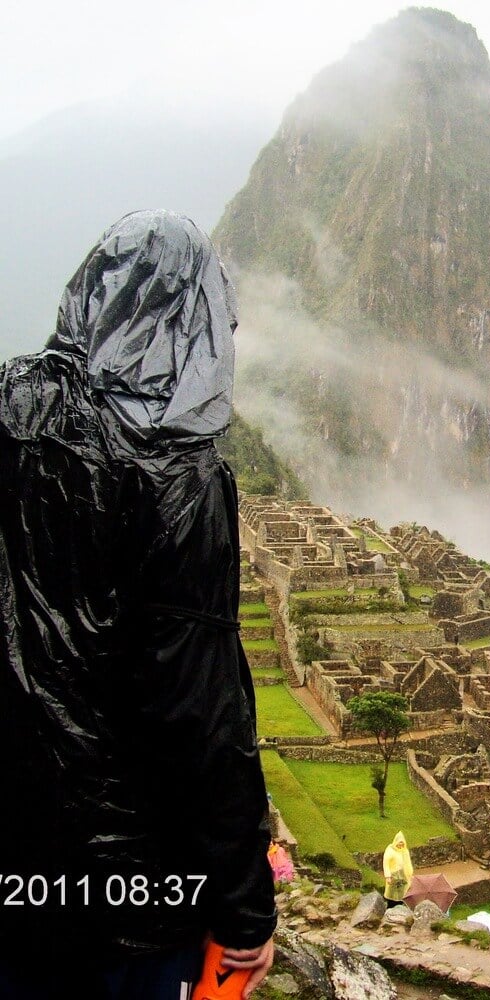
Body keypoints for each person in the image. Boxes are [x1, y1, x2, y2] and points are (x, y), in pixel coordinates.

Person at [0, 210, 277, 999]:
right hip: (132, 892)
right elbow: (203, 712)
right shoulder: (179, 476)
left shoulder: (9, 412)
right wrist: (243, 911)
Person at [383, 831, 414, 907]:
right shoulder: (390, 850)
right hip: (393, 875)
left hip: (403, 874)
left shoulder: (404, 851)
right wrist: (388, 876)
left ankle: (401, 907)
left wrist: (410, 874)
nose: (401, 845)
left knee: (402, 892)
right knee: (392, 892)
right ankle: (390, 908)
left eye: (402, 843)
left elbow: (408, 863)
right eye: (399, 843)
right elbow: (386, 863)